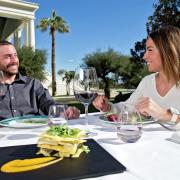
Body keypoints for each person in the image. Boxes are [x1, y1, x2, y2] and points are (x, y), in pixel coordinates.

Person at [93, 25, 180, 124]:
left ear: (168, 51)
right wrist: (108, 107)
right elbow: (128, 108)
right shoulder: (147, 82)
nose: (144, 56)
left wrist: (165, 114)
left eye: (150, 50)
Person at [0, 40, 80, 120]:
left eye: (15, 55)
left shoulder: (33, 84)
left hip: (33, 131)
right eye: (8, 57)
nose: (14, 60)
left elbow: (48, 103)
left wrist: (64, 110)